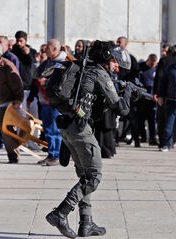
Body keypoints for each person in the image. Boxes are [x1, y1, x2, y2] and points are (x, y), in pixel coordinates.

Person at [45, 40, 132, 238]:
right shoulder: (99, 73)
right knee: (94, 176)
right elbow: (121, 108)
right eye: (114, 62)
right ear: (106, 59)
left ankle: (86, 222)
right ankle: (61, 213)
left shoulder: (86, 70)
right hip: (80, 130)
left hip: (69, 126)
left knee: (85, 175)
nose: (116, 66)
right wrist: (127, 93)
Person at [28, 39, 66, 166]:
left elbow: (62, 81)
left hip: (56, 102)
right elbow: (35, 75)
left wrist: (46, 83)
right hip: (44, 101)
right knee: (48, 129)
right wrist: (36, 63)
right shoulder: (47, 62)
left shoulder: (63, 63)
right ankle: (51, 154)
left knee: (55, 129)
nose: (45, 50)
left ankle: (56, 155)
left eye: (48, 48)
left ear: (55, 49)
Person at [153, 44, 176, 148]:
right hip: (175, 95)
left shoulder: (164, 60)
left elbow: (158, 77)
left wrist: (156, 93)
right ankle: (172, 141)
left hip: (163, 95)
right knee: (174, 119)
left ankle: (162, 142)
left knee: (162, 120)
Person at [138, 53, 158, 145]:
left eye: (154, 64)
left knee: (152, 120)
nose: (152, 66)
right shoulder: (141, 67)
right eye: (151, 64)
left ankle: (152, 138)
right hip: (142, 97)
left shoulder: (157, 68)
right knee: (141, 119)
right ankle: (143, 137)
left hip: (152, 98)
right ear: (148, 60)